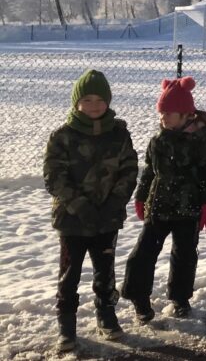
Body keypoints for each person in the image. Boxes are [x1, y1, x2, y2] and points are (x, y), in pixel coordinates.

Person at [43, 69, 138, 351]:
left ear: (108, 101)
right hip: (73, 220)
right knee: (69, 275)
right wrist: (81, 207)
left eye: (99, 99)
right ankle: (66, 325)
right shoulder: (62, 137)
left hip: (107, 219)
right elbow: (54, 177)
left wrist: (113, 204)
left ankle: (106, 316)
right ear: (76, 103)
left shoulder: (119, 135)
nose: (94, 105)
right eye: (87, 99)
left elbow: (129, 171)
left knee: (105, 271)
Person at [123, 77, 206, 322]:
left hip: (188, 209)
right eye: (162, 112)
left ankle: (180, 298)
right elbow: (149, 171)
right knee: (142, 254)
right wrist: (142, 197)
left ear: (186, 114)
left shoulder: (200, 141)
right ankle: (139, 298)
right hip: (159, 207)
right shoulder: (158, 140)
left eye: (169, 113)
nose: (163, 117)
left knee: (184, 255)